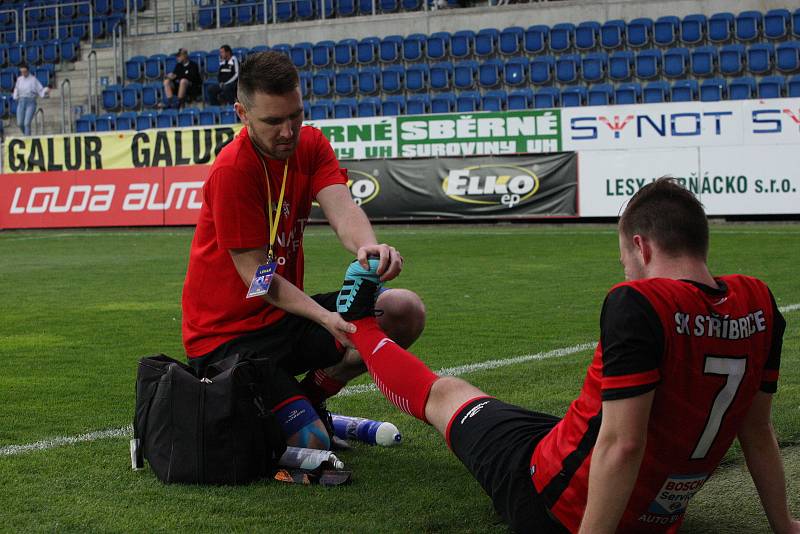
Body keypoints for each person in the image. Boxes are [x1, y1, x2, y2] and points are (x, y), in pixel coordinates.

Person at [336, 179, 798, 534]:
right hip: (657, 507)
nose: (626, 268)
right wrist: (785, 524)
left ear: (642, 246)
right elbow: (756, 428)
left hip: (557, 498)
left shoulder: (640, 303)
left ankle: (361, 322)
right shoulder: (757, 301)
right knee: (559, 419)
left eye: (624, 258)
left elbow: (622, 445)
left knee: (446, 393)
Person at [181, 51, 425, 451]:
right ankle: (303, 417)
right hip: (225, 339)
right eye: (273, 121)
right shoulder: (232, 171)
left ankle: (309, 401)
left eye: (295, 116)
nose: (288, 132)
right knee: (311, 444)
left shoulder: (310, 144)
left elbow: (343, 208)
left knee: (403, 311)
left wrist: (368, 247)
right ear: (242, 113)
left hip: (284, 319)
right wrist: (325, 317)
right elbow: (258, 279)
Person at [12, 63, 49, 136]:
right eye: (22, 72)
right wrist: (15, 96)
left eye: (25, 71)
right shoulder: (19, 79)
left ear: (28, 71)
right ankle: (27, 136)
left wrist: (46, 90)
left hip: (30, 102)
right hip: (21, 101)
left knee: (26, 123)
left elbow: (40, 90)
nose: (23, 73)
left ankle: (27, 139)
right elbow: (16, 89)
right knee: (20, 123)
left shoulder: (33, 79)